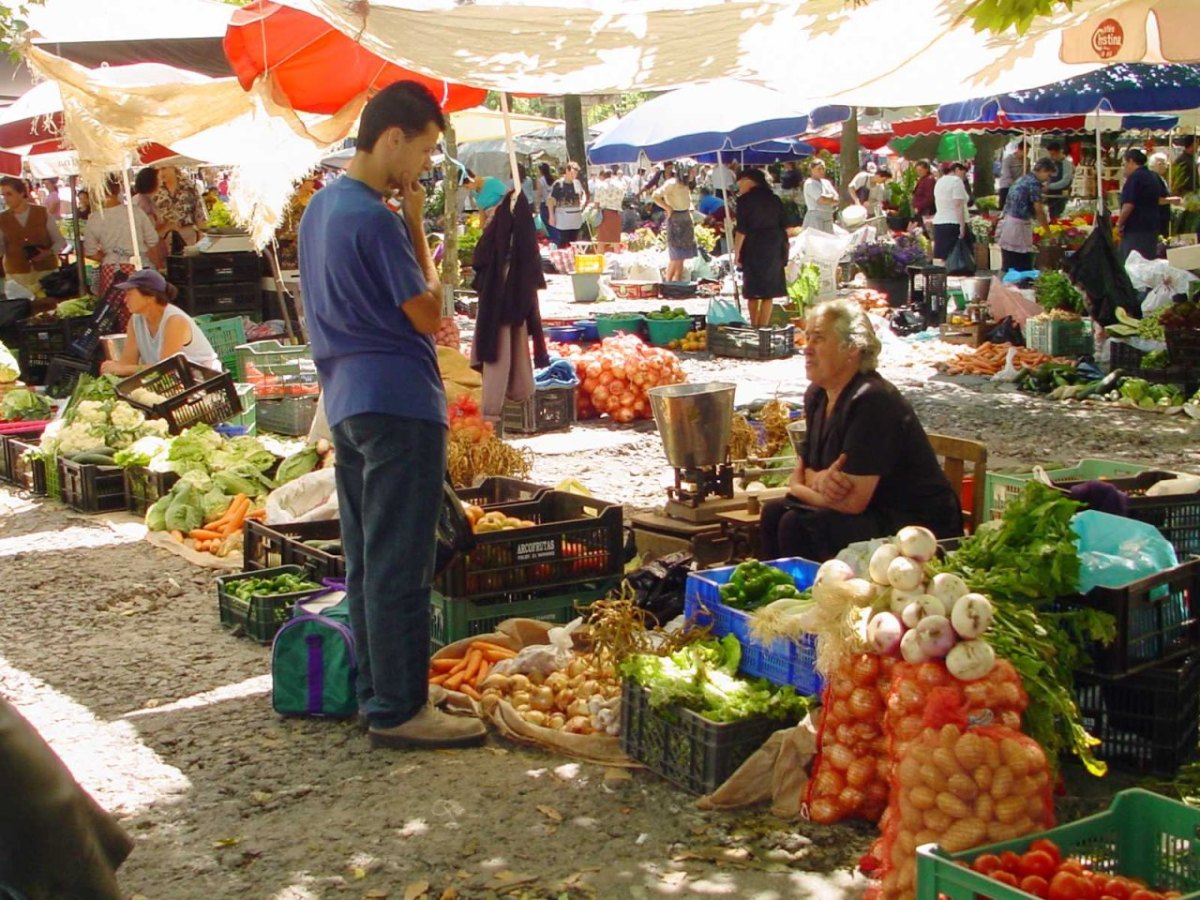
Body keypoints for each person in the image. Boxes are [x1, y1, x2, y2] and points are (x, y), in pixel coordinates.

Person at [298, 81, 486, 750]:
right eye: (426, 151)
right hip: (399, 403)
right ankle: (401, 708)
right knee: (401, 562)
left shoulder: (319, 210)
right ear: (393, 138)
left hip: (345, 401)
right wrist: (414, 224)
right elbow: (430, 315)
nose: (424, 170)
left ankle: (380, 692)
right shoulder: (377, 219)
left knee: (366, 557)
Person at [759, 299, 963, 562]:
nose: (806, 349)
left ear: (851, 348)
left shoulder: (872, 400)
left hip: (911, 523)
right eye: (807, 338)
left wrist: (800, 486)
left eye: (818, 339)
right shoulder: (817, 395)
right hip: (868, 513)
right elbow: (805, 467)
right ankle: (781, 599)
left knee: (795, 524)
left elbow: (851, 502)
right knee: (774, 512)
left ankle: (819, 599)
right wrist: (815, 480)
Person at [98, 269, 220, 376]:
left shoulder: (175, 321)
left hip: (201, 381)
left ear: (149, 297)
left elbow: (167, 368)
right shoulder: (135, 320)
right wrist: (112, 368)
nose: (125, 300)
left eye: (130, 294)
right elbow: (127, 362)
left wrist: (124, 369)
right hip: (168, 382)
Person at [83, 174, 160, 328]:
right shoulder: (135, 212)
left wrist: (109, 255)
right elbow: (153, 240)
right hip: (138, 266)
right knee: (142, 315)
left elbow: (90, 251)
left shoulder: (95, 218)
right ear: (118, 188)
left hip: (110, 269)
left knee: (112, 317)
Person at [733, 168, 788, 328]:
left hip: (753, 245)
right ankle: (763, 328)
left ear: (750, 181)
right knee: (768, 291)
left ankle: (754, 326)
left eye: (740, 183)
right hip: (774, 245)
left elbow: (741, 230)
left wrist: (736, 253)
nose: (739, 187)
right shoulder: (774, 199)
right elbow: (784, 225)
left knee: (752, 291)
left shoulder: (744, 200)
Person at [0, 175, 67, 294]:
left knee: (48, 307)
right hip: (17, 274)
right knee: (21, 309)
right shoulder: (2, 218)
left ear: (21, 193)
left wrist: (49, 252)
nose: (6, 198)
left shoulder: (42, 212)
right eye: (3, 195)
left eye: (9, 194)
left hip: (46, 273)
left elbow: (60, 241)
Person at [995, 158, 1054, 273]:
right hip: (1018, 225)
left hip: (1009, 221)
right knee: (1021, 263)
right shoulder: (1033, 184)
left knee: (1009, 262)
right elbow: (1039, 210)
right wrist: (1048, 232)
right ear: (1042, 170)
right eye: (1048, 175)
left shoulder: (1023, 179)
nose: (1048, 179)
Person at [1117, 148, 1171, 263]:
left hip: (1136, 228)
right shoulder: (1153, 176)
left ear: (1131, 161)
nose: (1124, 168)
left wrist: (1119, 224)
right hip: (1152, 226)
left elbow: (1128, 205)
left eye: (1124, 164)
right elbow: (1159, 199)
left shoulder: (1135, 178)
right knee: (1147, 262)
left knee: (1132, 264)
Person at [652, 162, 697, 283]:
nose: (694, 173)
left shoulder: (685, 184)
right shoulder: (671, 183)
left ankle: (677, 282)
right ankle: (667, 282)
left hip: (686, 217)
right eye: (692, 171)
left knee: (682, 256)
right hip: (676, 218)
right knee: (676, 255)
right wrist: (667, 208)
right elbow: (655, 195)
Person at [153, 165, 207, 248]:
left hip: (187, 236)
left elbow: (199, 214)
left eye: (164, 168)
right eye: (158, 170)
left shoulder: (189, 187)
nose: (161, 173)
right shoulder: (155, 190)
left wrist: (201, 238)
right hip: (163, 236)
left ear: (174, 168)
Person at [932, 161, 971, 262]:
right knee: (956, 259)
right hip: (953, 222)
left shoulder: (939, 181)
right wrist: (962, 226)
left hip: (940, 222)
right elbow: (958, 205)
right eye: (963, 173)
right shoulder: (956, 181)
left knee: (943, 259)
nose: (964, 176)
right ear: (957, 170)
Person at [131, 167, 168, 270]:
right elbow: (149, 234)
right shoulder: (145, 204)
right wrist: (169, 226)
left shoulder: (136, 199)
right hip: (149, 254)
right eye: (159, 178)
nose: (161, 182)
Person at [547, 161, 586, 248]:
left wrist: (583, 201)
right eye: (573, 173)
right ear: (567, 171)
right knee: (563, 243)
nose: (574, 176)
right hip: (563, 219)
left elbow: (583, 194)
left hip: (575, 218)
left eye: (576, 174)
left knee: (574, 243)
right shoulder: (558, 184)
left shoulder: (577, 183)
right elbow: (550, 201)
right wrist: (551, 216)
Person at [802, 159, 839, 233]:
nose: (822, 171)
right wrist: (830, 198)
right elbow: (821, 200)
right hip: (816, 217)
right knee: (817, 240)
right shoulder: (810, 183)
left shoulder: (826, 182)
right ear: (812, 170)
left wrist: (828, 198)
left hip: (828, 216)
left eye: (823, 169)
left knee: (828, 240)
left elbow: (837, 199)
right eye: (819, 169)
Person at [592, 167, 625, 247]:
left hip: (604, 214)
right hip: (616, 214)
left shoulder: (600, 186)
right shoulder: (620, 185)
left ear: (603, 176)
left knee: (601, 241)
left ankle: (600, 258)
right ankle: (617, 258)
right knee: (616, 241)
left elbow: (596, 203)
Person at [1043, 141, 1075, 220]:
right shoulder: (1052, 163)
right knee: (1052, 216)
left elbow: (1065, 181)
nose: (1051, 156)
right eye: (1050, 154)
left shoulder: (1066, 164)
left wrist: (1049, 186)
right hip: (1051, 196)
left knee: (1059, 217)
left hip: (1060, 196)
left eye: (1053, 154)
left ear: (1059, 152)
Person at [1150, 152, 1173, 238]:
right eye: (1162, 163)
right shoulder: (1153, 179)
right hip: (1158, 217)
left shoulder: (1160, 178)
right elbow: (1155, 199)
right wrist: (1172, 200)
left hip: (1162, 217)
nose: (1165, 166)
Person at [996, 143, 1025, 209]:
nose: (1026, 153)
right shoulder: (1008, 159)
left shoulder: (1026, 160)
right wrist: (1017, 186)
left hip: (1019, 187)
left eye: (1028, 151)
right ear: (1019, 150)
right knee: (1004, 207)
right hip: (1006, 186)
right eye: (1025, 151)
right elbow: (1007, 175)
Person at [534, 162, 556, 242]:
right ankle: (556, 238)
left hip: (544, 204)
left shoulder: (540, 181)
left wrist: (537, 206)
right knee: (554, 223)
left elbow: (539, 194)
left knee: (547, 223)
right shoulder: (553, 179)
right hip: (553, 204)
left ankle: (553, 239)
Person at [910, 160, 936, 225]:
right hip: (920, 211)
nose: (918, 172)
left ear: (926, 169)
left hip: (926, 211)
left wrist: (918, 207)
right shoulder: (922, 179)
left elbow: (930, 198)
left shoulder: (929, 180)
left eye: (920, 170)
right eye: (917, 170)